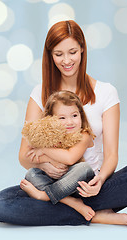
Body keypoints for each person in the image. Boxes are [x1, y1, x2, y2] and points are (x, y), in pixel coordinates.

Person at [0, 20, 127, 227]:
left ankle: (73, 206)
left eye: (72, 52)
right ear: (50, 56)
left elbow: (112, 154)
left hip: (91, 184)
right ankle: (94, 214)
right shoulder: (40, 94)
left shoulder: (106, 93)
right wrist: (44, 165)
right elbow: (24, 156)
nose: (66, 60)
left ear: (82, 51)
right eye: (58, 54)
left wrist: (101, 181)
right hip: (52, 183)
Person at [20, 90, 96, 221]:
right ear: (51, 120)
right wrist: (46, 162)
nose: (70, 122)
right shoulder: (51, 137)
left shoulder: (84, 135)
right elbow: (31, 156)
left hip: (82, 185)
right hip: (59, 185)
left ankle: (45, 196)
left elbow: (70, 159)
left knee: (83, 167)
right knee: (31, 174)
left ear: (81, 115)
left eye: (74, 115)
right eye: (62, 118)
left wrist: (44, 150)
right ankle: (69, 201)